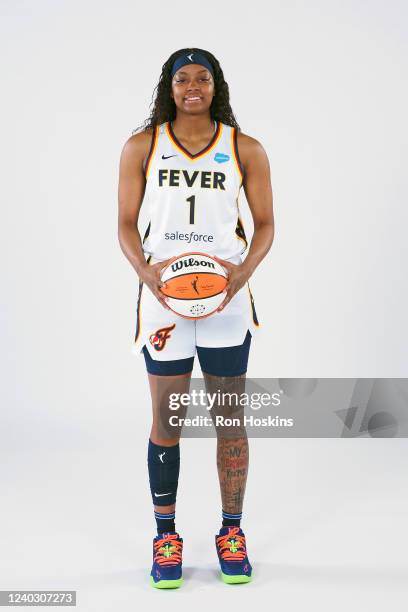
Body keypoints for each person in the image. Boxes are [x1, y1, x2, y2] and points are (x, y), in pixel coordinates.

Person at [118, 47, 274, 588]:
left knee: (230, 420)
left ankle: (232, 531)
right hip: (164, 302)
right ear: (169, 85)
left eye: (202, 78)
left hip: (225, 301)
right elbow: (123, 225)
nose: (192, 86)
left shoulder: (244, 148)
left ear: (216, 86)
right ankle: (166, 535)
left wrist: (238, 275)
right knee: (168, 420)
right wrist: (146, 273)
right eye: (182, 78)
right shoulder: (142, 146)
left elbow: (267, 226)